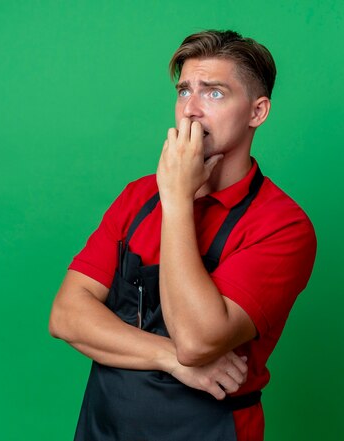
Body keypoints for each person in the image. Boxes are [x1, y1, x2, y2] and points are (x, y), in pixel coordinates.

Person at [49, 29, 317, 441]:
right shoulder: (138, 196)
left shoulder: (281, 226)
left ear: (257, 112)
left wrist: (176, 200)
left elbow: (195, 341)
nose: (190, 109)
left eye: (213, 93)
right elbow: (67, 316)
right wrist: (169, 359)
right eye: (184, 91)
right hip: (104, 428)